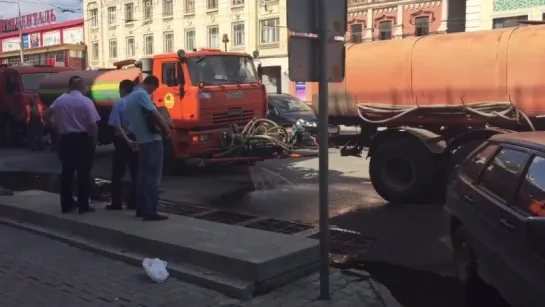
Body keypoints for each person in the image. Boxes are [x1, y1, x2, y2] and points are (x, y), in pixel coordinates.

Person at [42, 76, 100, 214]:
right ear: (82, 87)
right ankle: (83, 205)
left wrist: (56, 127)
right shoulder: (86, 102)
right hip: (83, 140)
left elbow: (45, 115)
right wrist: (93, 141)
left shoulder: (60, 100)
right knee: (83, 173)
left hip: (66, 139)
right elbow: (93, 124)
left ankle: (66, 204)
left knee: (67, 172)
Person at [124, 75, 170, 221]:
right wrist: (166, 128)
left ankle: (141, 209)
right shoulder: (141, 95)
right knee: (152, 178)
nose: (152, 93)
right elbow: (154, 113)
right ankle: (150, 212)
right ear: (151, 85)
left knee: (142, 177)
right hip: (152, 141)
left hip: (142, 141)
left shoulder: (130, 97)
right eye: (154, 89)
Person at [107, 79, 138, 211]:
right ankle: (134, 202)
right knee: (136, 172)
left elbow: (116, 125)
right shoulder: (138, 103)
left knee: (117, 174)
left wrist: (126, 140)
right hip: (136, 139)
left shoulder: (119, 103)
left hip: (122, 141)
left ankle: (117, 203)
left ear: (123, 89)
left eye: (119, 90)